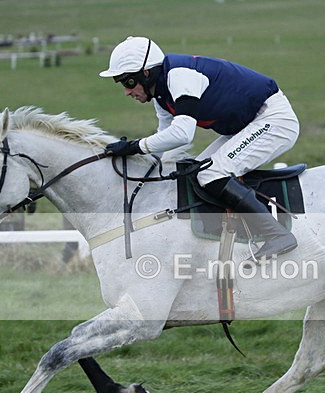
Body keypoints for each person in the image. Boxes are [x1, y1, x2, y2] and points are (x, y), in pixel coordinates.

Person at [99, 36, 299, 260]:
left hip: (273, 120)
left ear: (146, 73)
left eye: (128, 82)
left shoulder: (179, 77)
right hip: (249, 123)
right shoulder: (161, 94)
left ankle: (277, 234)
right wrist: (134, 167)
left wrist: (134, 146)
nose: (127, 92)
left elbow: (182, 134)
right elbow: (164, 138)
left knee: (211, 173)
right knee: (195, 171)